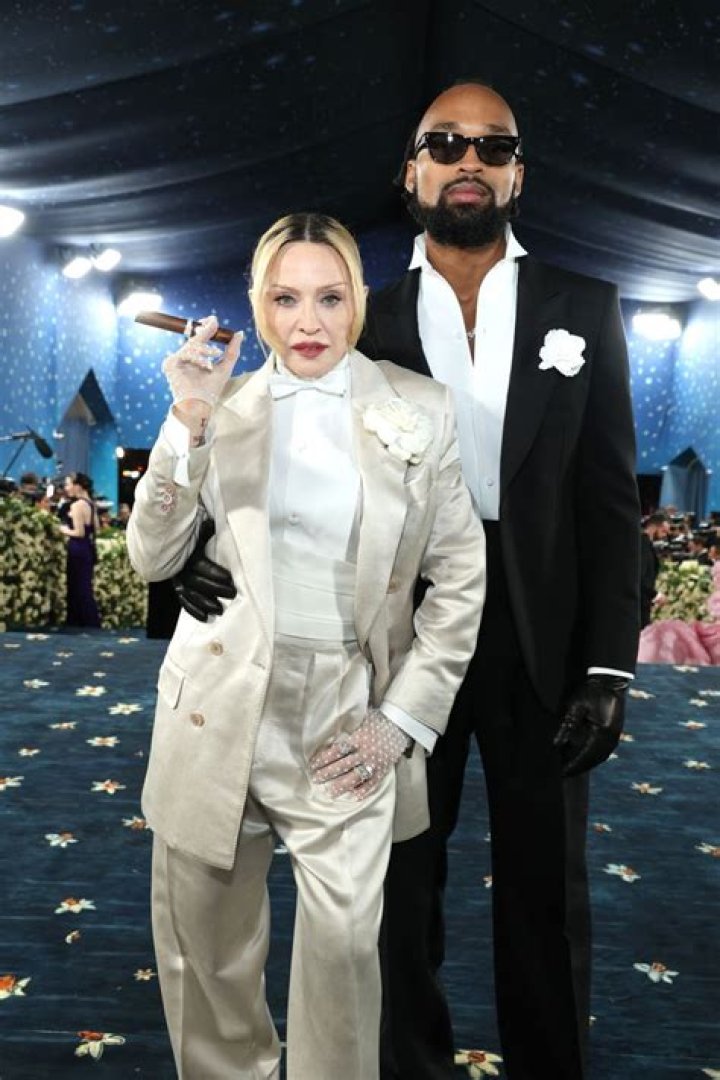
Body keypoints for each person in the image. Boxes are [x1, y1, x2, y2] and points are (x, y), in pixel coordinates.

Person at [169, 83, 641, 1080]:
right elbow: (284, 456)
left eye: (492, 146)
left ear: (519, 174)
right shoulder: (362, 316)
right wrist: (204, 550)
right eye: (445, 143)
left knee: (545, 891)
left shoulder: (585, 307)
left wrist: (610, 665)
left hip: (545, 640)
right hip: (393, 638)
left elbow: (610, 501)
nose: (469, 160)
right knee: (393, 890)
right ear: (411, 173)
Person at [126, 212, 485, 1080]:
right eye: (285, 299)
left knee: (345, 950)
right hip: (218, 704)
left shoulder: (420, 408)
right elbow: (152, 557)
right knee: (207, 954)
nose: (308, 322)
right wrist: (188, 420)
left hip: (347, 709)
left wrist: (403, 718)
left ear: (358, 299)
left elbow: (460, 582)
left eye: (330, 297)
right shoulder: (221, 405)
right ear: (258, 305)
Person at [59, 471, 101, 627]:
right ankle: (89, 621)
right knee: (85, 586)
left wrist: (63, 530)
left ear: (78, 486)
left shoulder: (77, 505)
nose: (66, 488)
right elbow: (96, 528)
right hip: (87, 549)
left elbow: (79, 532)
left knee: (77, 586)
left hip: (77, 548)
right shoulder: (91, 504)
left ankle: (78, 621)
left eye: (68, 484)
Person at [640, 511, 669, 628]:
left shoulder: (645, 543)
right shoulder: (643, 544)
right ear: (654, 526)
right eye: (663, 531)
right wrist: (655, 595)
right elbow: (640, 577)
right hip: (640, 604)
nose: (664, 536)